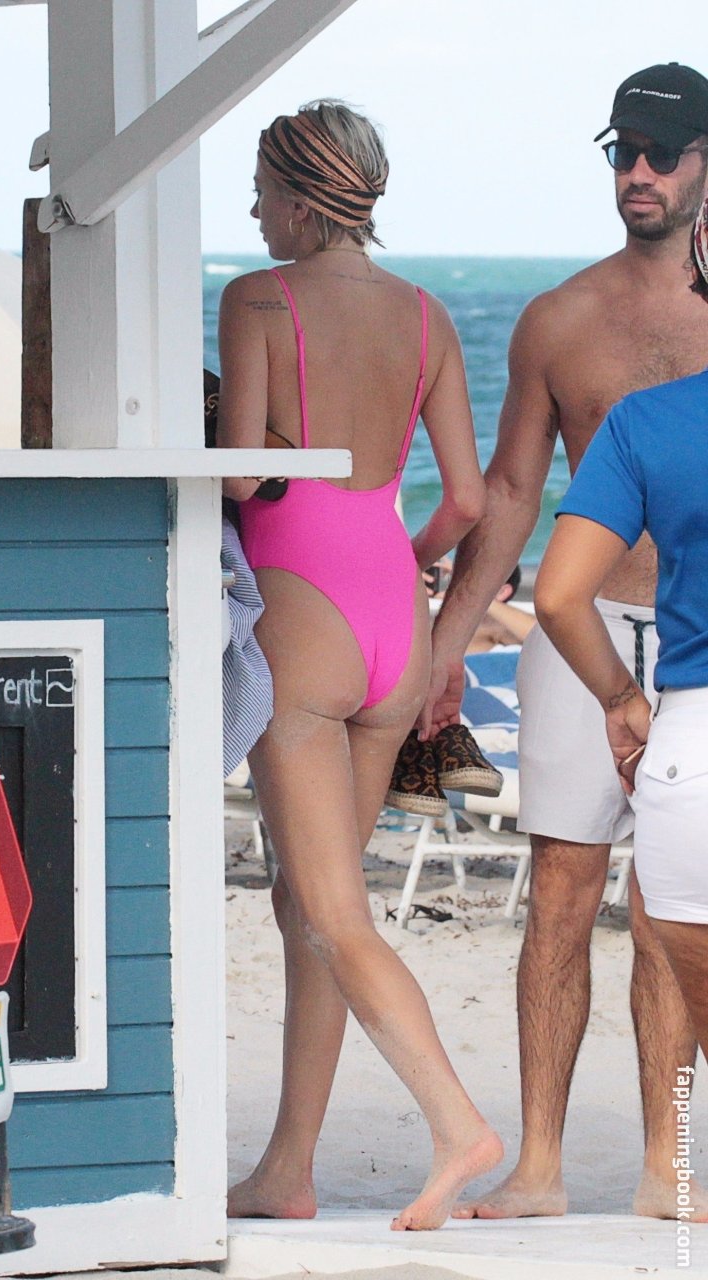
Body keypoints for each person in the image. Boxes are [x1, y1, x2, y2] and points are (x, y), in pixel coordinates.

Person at [418, 63, 708, 1220]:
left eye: (662, 153)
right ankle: (538, 1162)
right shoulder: (558, 319)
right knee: (561, 893)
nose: (637, 171)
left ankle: (666, 1165)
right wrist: (449, 639)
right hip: (579, 637)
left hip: (692, 656)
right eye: (621, 151)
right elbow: (508, 490)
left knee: (673, 910)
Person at [217, 100, 502, 1230]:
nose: (252, 211)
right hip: (393, 609)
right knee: (311, 900)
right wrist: (407, 564)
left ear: (300, 200)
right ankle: (288, 1169)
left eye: (260, 191)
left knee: (333, 912)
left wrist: (247, 438)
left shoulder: (257, 298)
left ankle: (455, 1122)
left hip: (304, 607)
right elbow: (468, 501)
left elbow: (242, 480)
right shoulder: (429, 315)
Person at [534, 195, 708, 1061]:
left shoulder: (648, 422)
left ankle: (669, 1142)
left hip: (690, 738)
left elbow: (559, 595)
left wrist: (618, 699)